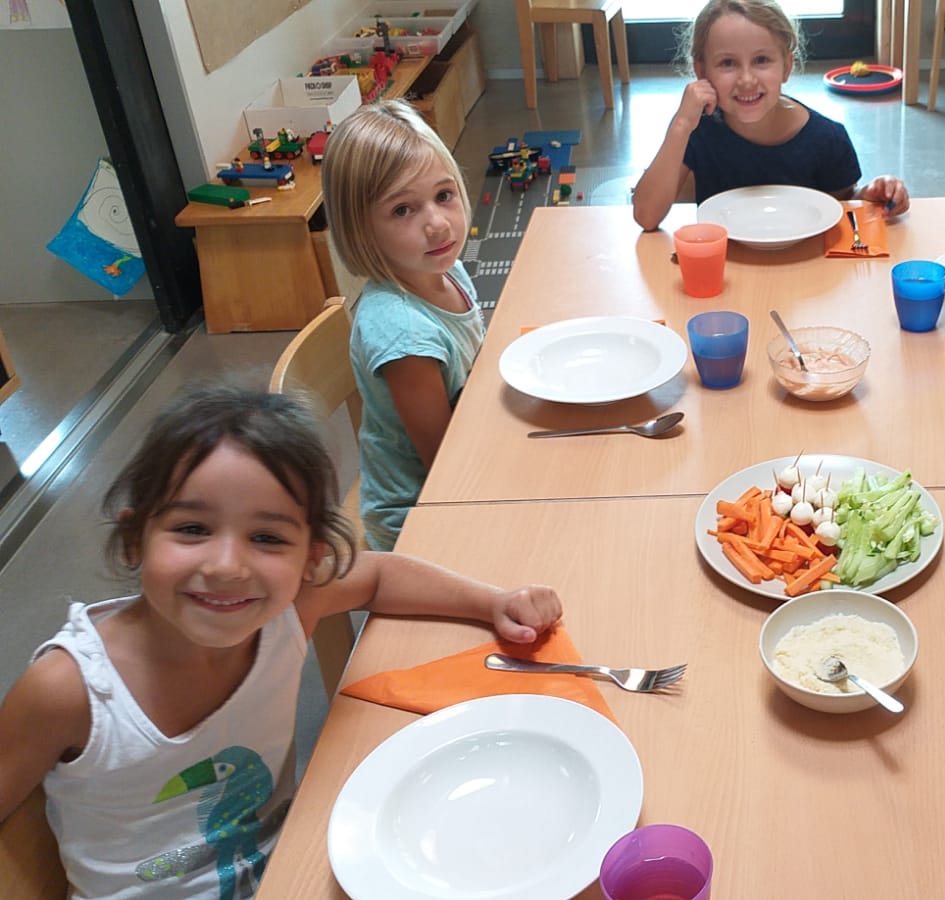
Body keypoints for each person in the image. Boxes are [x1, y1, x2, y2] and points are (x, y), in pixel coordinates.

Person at [0, 383, 562, 898]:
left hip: (289, 867)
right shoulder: (69, 692)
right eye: (192, 529)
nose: (226, 566)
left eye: (267, 538)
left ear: (310, 558)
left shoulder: (291, 608)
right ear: (133, 540)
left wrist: (493, 601)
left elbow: (381, 575)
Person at [322, 99, 482, 550]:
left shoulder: (440, 269)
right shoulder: (404, 337)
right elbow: (445, 465)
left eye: (443, 196)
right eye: (403, 210)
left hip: (462, 461)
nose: (436, 224)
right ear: (360, 228)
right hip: (418, 520)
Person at [631, 0, 911, 231]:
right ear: (702, 72)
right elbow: (646, 216)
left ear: (787, 66)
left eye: (761, 60)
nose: (747, 79)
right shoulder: (698, 130)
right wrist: (680, 125)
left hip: (805, 279)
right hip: (722, 276)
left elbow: (842, 210)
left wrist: (873, 197)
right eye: (728, 63)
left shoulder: (828, 139)